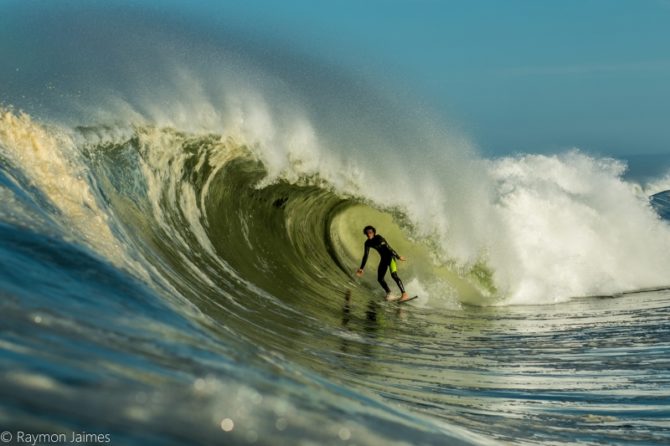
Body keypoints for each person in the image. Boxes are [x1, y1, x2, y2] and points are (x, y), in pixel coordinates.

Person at [356, 225, 410, 302]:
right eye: (367, 233)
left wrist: (398, 257)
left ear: (374, 233)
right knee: (380, 279)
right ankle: (389, 293)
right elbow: (365, 256)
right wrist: (361, 268)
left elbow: (389, 248)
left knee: (394, 275)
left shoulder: (379, 238)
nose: (369, 234)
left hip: (391, 258)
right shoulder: (367, 243)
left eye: (370, 232)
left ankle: (404, 294)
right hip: (383, 259)